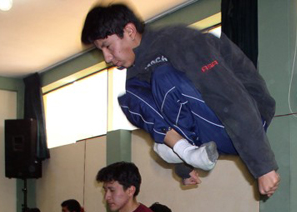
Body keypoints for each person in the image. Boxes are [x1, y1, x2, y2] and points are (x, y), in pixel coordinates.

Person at [81, 4, 280, 197]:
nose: (107, 58)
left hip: (247, 117)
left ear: (130, 31)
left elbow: (229, 96)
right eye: (102, 51)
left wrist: (263, 166)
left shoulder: (179, 41)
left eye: (108, 47)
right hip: (209, 134)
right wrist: (184, 167)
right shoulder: (135, 73)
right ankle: (185, 151)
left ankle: (181, 150)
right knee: (133, 97)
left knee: (164, 76)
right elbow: (155, 113)